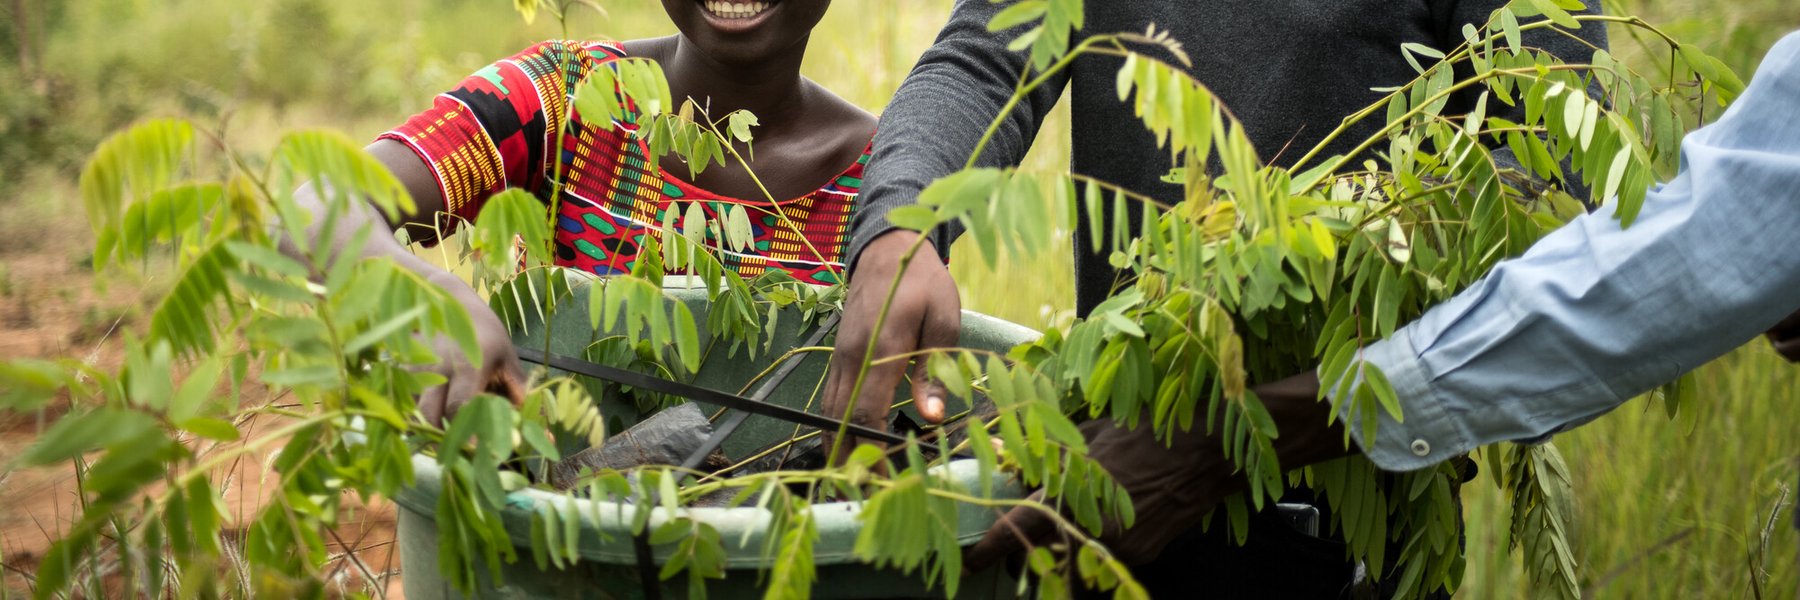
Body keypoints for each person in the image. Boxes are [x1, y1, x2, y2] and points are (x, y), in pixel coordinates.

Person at [965, 29, 1800, 587]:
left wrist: (1228, 440)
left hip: (1345, 529)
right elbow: (984, 51)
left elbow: (1654, 253)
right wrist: (900, 221)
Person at [822, 0, 1605, 594]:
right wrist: (903, 222)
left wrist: (1327, 260)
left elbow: (1551, 181)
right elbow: (986, 58)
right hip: (1118, 484)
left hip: (1348, 496)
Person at [290, 0, 876, 424]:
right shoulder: (564, 97)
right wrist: (421, 296)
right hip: (551, 530)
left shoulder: (882, 179)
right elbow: (315, 206)